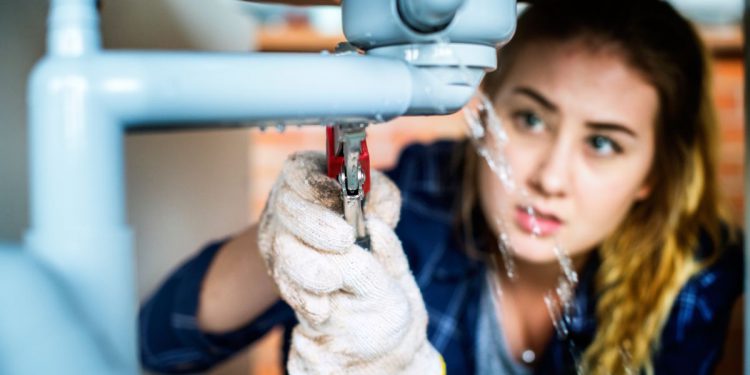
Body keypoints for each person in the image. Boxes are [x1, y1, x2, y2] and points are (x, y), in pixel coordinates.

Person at [138, 1, 744, 374]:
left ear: (654, 175)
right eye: (530, 119)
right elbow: (162, 344)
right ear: (485, 111)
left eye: (603, 143)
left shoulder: (690, 274)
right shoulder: (424, 196)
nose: (549, 178)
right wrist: (279, 243)